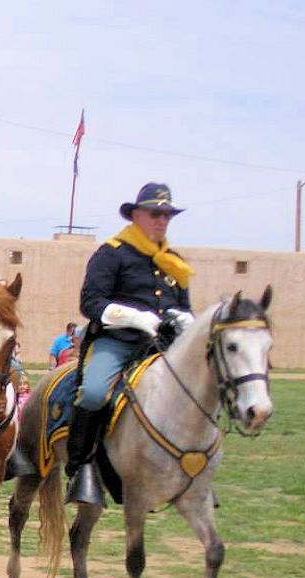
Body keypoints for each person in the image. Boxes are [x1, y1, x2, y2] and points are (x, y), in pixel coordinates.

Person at [65, 182, 196, 505]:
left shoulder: (173, 262)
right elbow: (90, 302)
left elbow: (183, 304)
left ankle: (192, 466)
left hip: (164, 345)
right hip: (119, 340)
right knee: (95, 392)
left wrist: (185, 319)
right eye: (155, 213)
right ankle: (81, 467)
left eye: (167, 214)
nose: (162, 220)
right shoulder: (112, 253)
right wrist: (133, 317)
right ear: (137, 215)